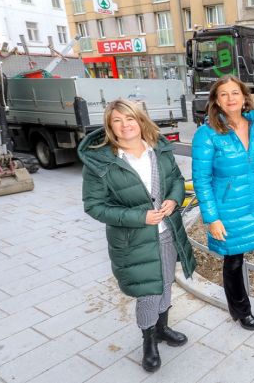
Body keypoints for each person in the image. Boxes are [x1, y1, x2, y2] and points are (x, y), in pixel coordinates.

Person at [79, 99, 196, 373]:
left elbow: (177, 181)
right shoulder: (102, 162)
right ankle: (148, 341)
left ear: (140, 120)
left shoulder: (159, 150)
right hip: (134, 241)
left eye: (129, 118)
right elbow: (93, 206)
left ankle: (163, 328)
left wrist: (173, 200)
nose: (125, 125)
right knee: (148, 293)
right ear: (109, 126)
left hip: (168, 234)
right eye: (117, 120)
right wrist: (139, 217)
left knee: (166, 284)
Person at [192, 75, 254, 332]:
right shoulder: (207, 134)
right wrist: (212, 218)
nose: (230, 98)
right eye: (223, 94)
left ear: (244, 97)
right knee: (234, 261)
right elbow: (201, 180)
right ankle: (241, 311)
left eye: (235, 93)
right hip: (229, 208)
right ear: (216, 100)